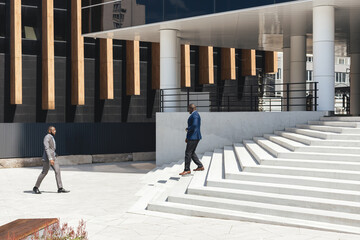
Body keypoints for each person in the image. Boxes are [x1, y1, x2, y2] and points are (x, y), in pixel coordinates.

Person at [33, 126, 69, 194]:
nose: (55, 131)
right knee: (44, 172)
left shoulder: (52, 137)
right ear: (49, 131)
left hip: (54, 158)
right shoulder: (47, 137)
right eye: (53, 130)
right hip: (47, 159)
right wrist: (50, 159)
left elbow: (52, 149)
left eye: (55, 130)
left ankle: (60, 188)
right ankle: (36, 187)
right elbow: (47, 148)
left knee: (57, 171)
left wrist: (54, 155)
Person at [179, 104, 204, 176]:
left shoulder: (195, 115)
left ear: (191, 108)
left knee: (188, 153)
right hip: (193, 137)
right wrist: (187, 137)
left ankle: (187, 170)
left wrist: (188, 129)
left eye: (189, 109)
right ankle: (200, 166)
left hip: (194, 137)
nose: (188, 110)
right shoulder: (195, 114)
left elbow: (195, 125)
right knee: (191, 152)